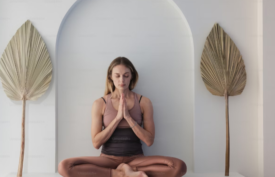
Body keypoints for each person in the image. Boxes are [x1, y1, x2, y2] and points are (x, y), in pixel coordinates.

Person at [58, 57, 187, 177]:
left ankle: (128, 169)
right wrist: (118, 118)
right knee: (64, 166)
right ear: (110, 77)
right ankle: (119, 173)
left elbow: (149, 141)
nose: (121, 80)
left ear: (131, 76)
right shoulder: (99, 103)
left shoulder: (144, 102)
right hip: (107, 159)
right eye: (117, 76)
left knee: (178, 166)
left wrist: (128, 118)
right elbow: (96, 143)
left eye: (126, 76)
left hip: (136, 159)